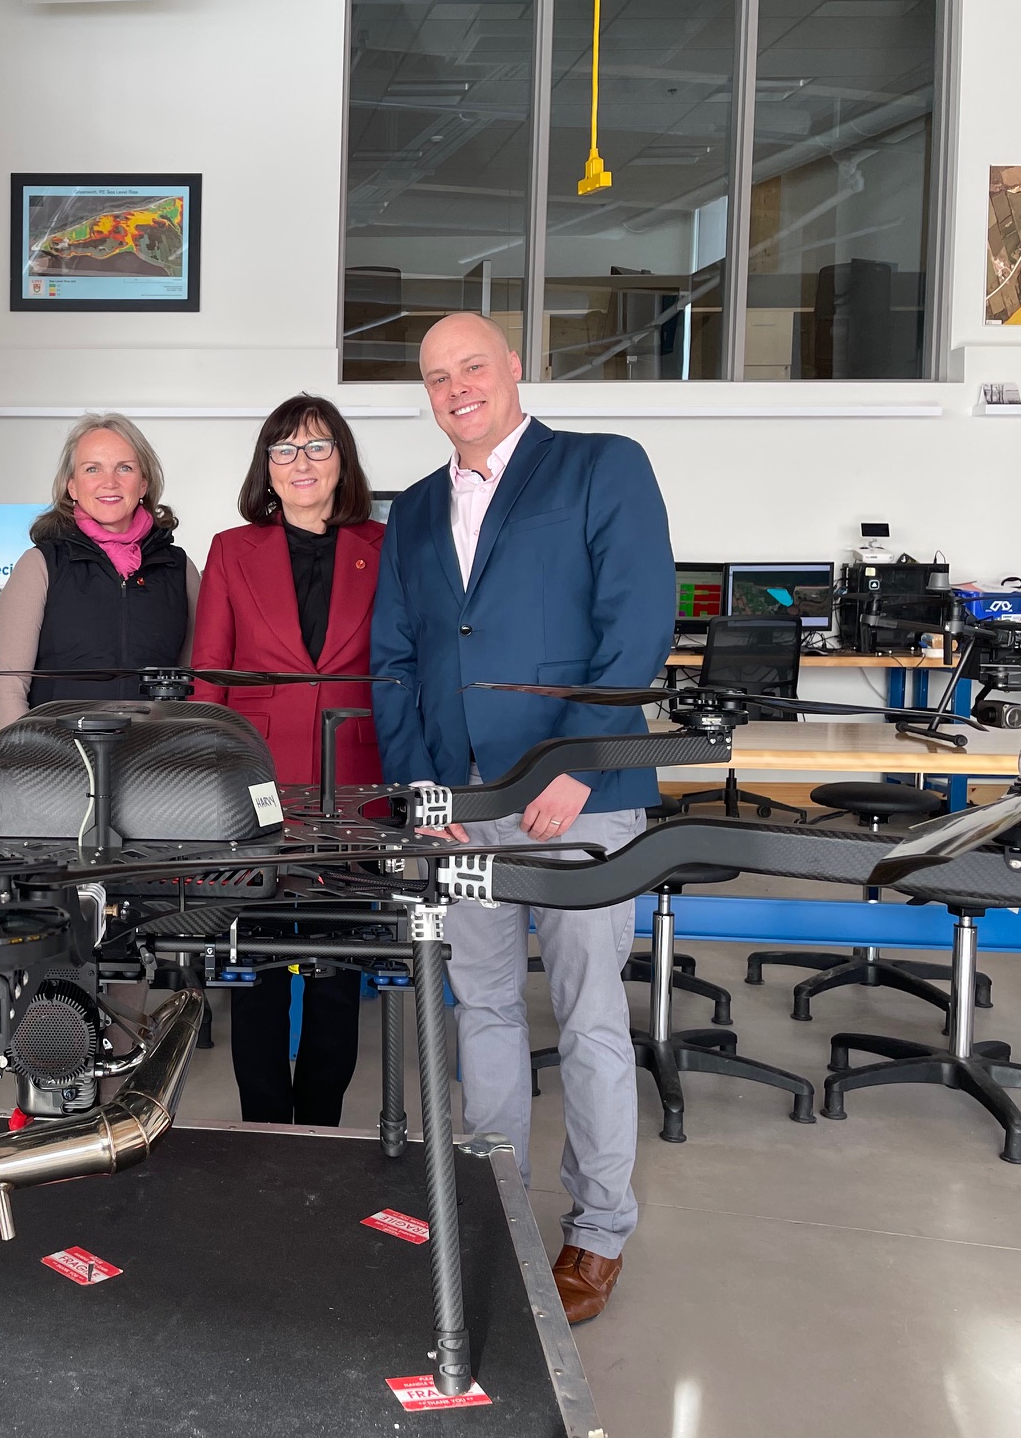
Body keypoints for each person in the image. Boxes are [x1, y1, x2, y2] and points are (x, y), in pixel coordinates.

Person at [371, 312, 674, 1325]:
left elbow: (638, 623)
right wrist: (425, 789)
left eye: (471, 367)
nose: (456, 387)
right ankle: (492, 1200)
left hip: (576, 800)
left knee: (588, 1017)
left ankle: (598, 1233)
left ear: (511, 369)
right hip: (461, 809)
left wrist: (580, 766)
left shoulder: (600, 467)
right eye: (435, 376)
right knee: (486, 1009)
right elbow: (399, 660)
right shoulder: (411, 511)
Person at [189, 394, 384, 1126]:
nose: (302, 463)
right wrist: (205, 793)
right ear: (266, 468)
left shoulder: (382, 545)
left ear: (343, 461)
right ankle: (264, 1126)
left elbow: (400, 664)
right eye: (285, 449)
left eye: (318, 447)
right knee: (257, 967)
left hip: (353, 784)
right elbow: (209, 678)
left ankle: (323, 1123)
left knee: (336, 966)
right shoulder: (232, 551)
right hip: (254, 784)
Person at [0, 413, 201, 727]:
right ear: (72, 485)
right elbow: (8, 689)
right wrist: (30, 762)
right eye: (92, 469)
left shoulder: (180, 569)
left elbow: (194, 683)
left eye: (124, 468)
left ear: (144, 482)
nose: (109, 482)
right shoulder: (39, 567)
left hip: (153, 763)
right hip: (58, 764)